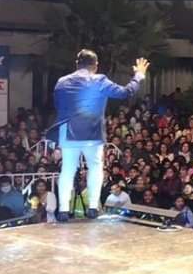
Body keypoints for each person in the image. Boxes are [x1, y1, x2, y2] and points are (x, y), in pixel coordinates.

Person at [50, 50, 148, 222]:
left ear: (76, 64)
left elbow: (58, 105)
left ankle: (63, 210)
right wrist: (138, 75)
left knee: (67, 169)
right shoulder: (100, 80)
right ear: (95, 66)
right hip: (92, 131)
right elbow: (125, 92)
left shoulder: (62, 82)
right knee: (95, 167)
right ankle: (93, 207)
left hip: (68, 131)